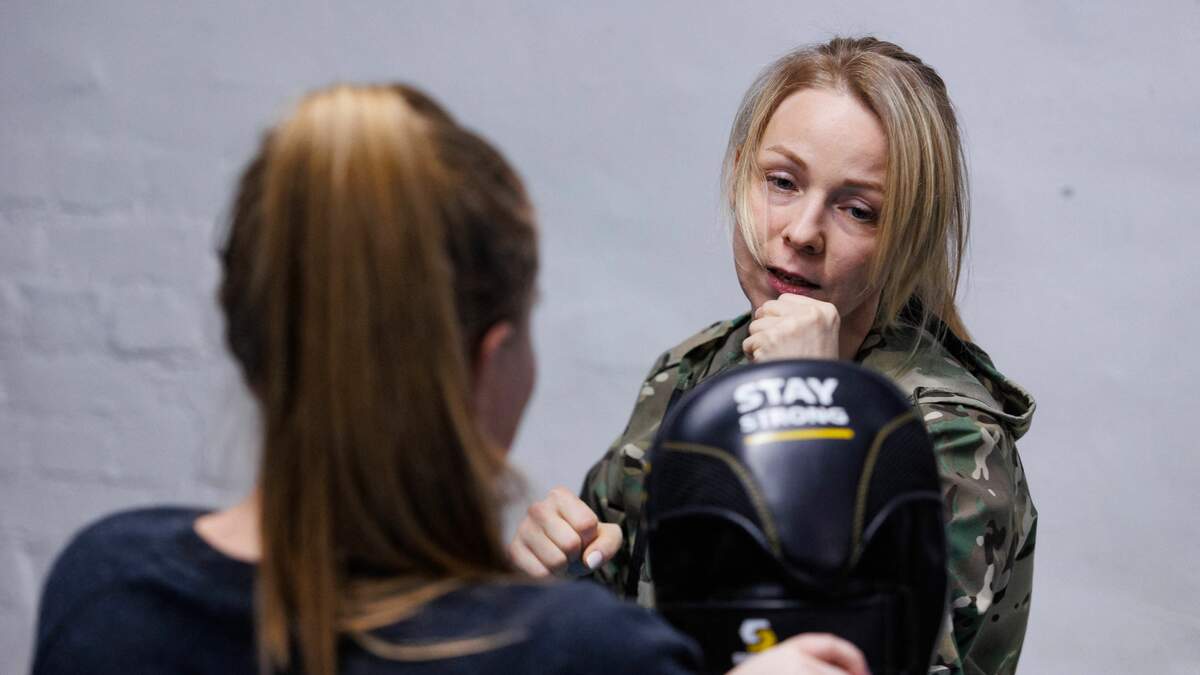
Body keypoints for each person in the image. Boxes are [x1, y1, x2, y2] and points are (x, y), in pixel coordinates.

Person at [32, 84, 869, 675]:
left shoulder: (105, 590)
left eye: (857, 206)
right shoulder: (581, 654)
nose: (802, 230)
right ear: (487, 360)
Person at [510, 37, 1038, 675]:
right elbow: (644, 622)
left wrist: (808, 399)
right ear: (741, 174)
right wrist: (567, 574)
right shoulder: (694, 374)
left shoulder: (949, 440)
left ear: (906, 236)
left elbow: (857, 658)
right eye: (782, 182)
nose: (803, 231)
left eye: (858, 210)